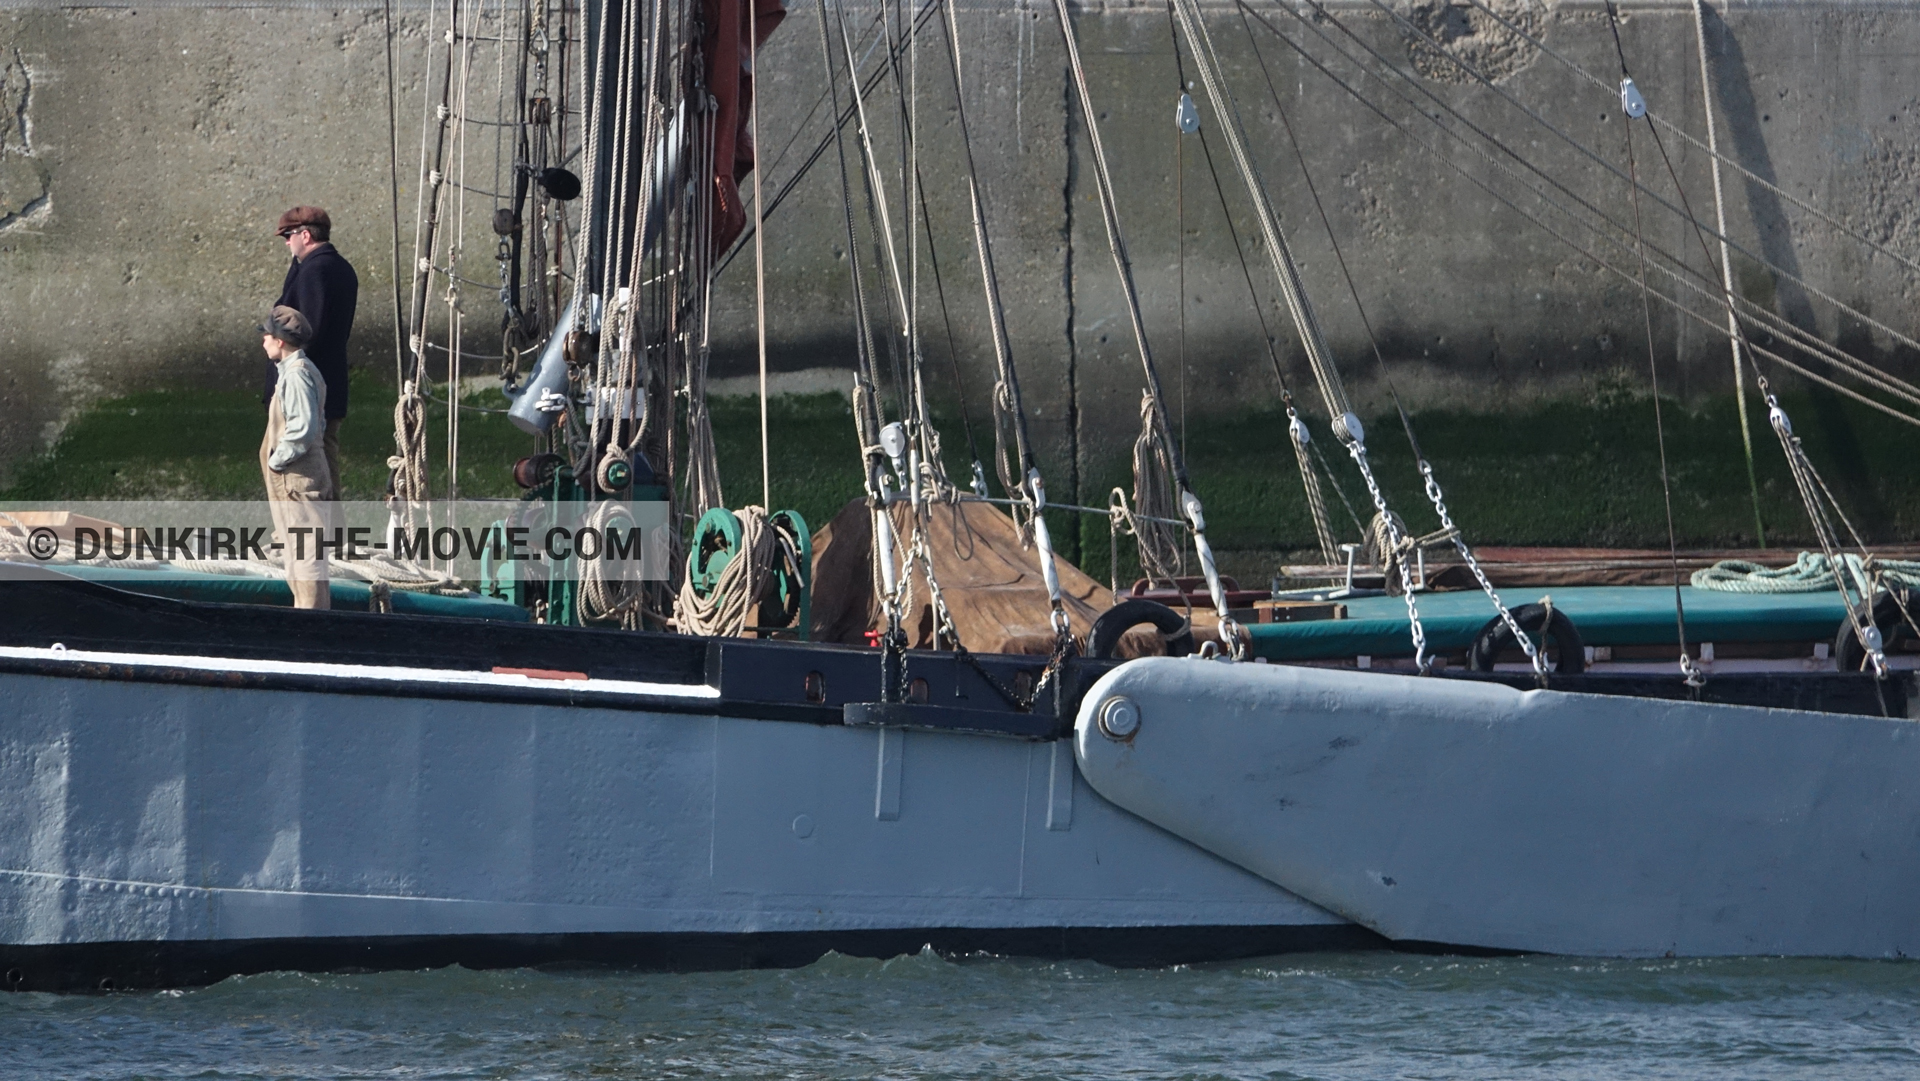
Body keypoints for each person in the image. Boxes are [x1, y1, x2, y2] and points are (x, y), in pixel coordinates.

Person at [270, 207, 358, 494]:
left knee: (306, 465)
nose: (286, 242)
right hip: (329, 379)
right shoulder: (340, 267)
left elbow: (305, 328)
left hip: (306, 385)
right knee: (325, 457)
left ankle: (319, 535)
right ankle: (331, 533)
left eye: (288, 235)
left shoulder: (314, 270)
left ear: (304, 235)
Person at [259, 305, 332, 610]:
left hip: (297, 479)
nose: (263, 340)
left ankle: (312, 630)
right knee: (297, 558)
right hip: (295, 479)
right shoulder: (294, 372)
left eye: (267, 335)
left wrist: (277, 461)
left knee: (306, 562)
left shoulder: (298, 375)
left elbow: (304, 428)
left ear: (280, 341)